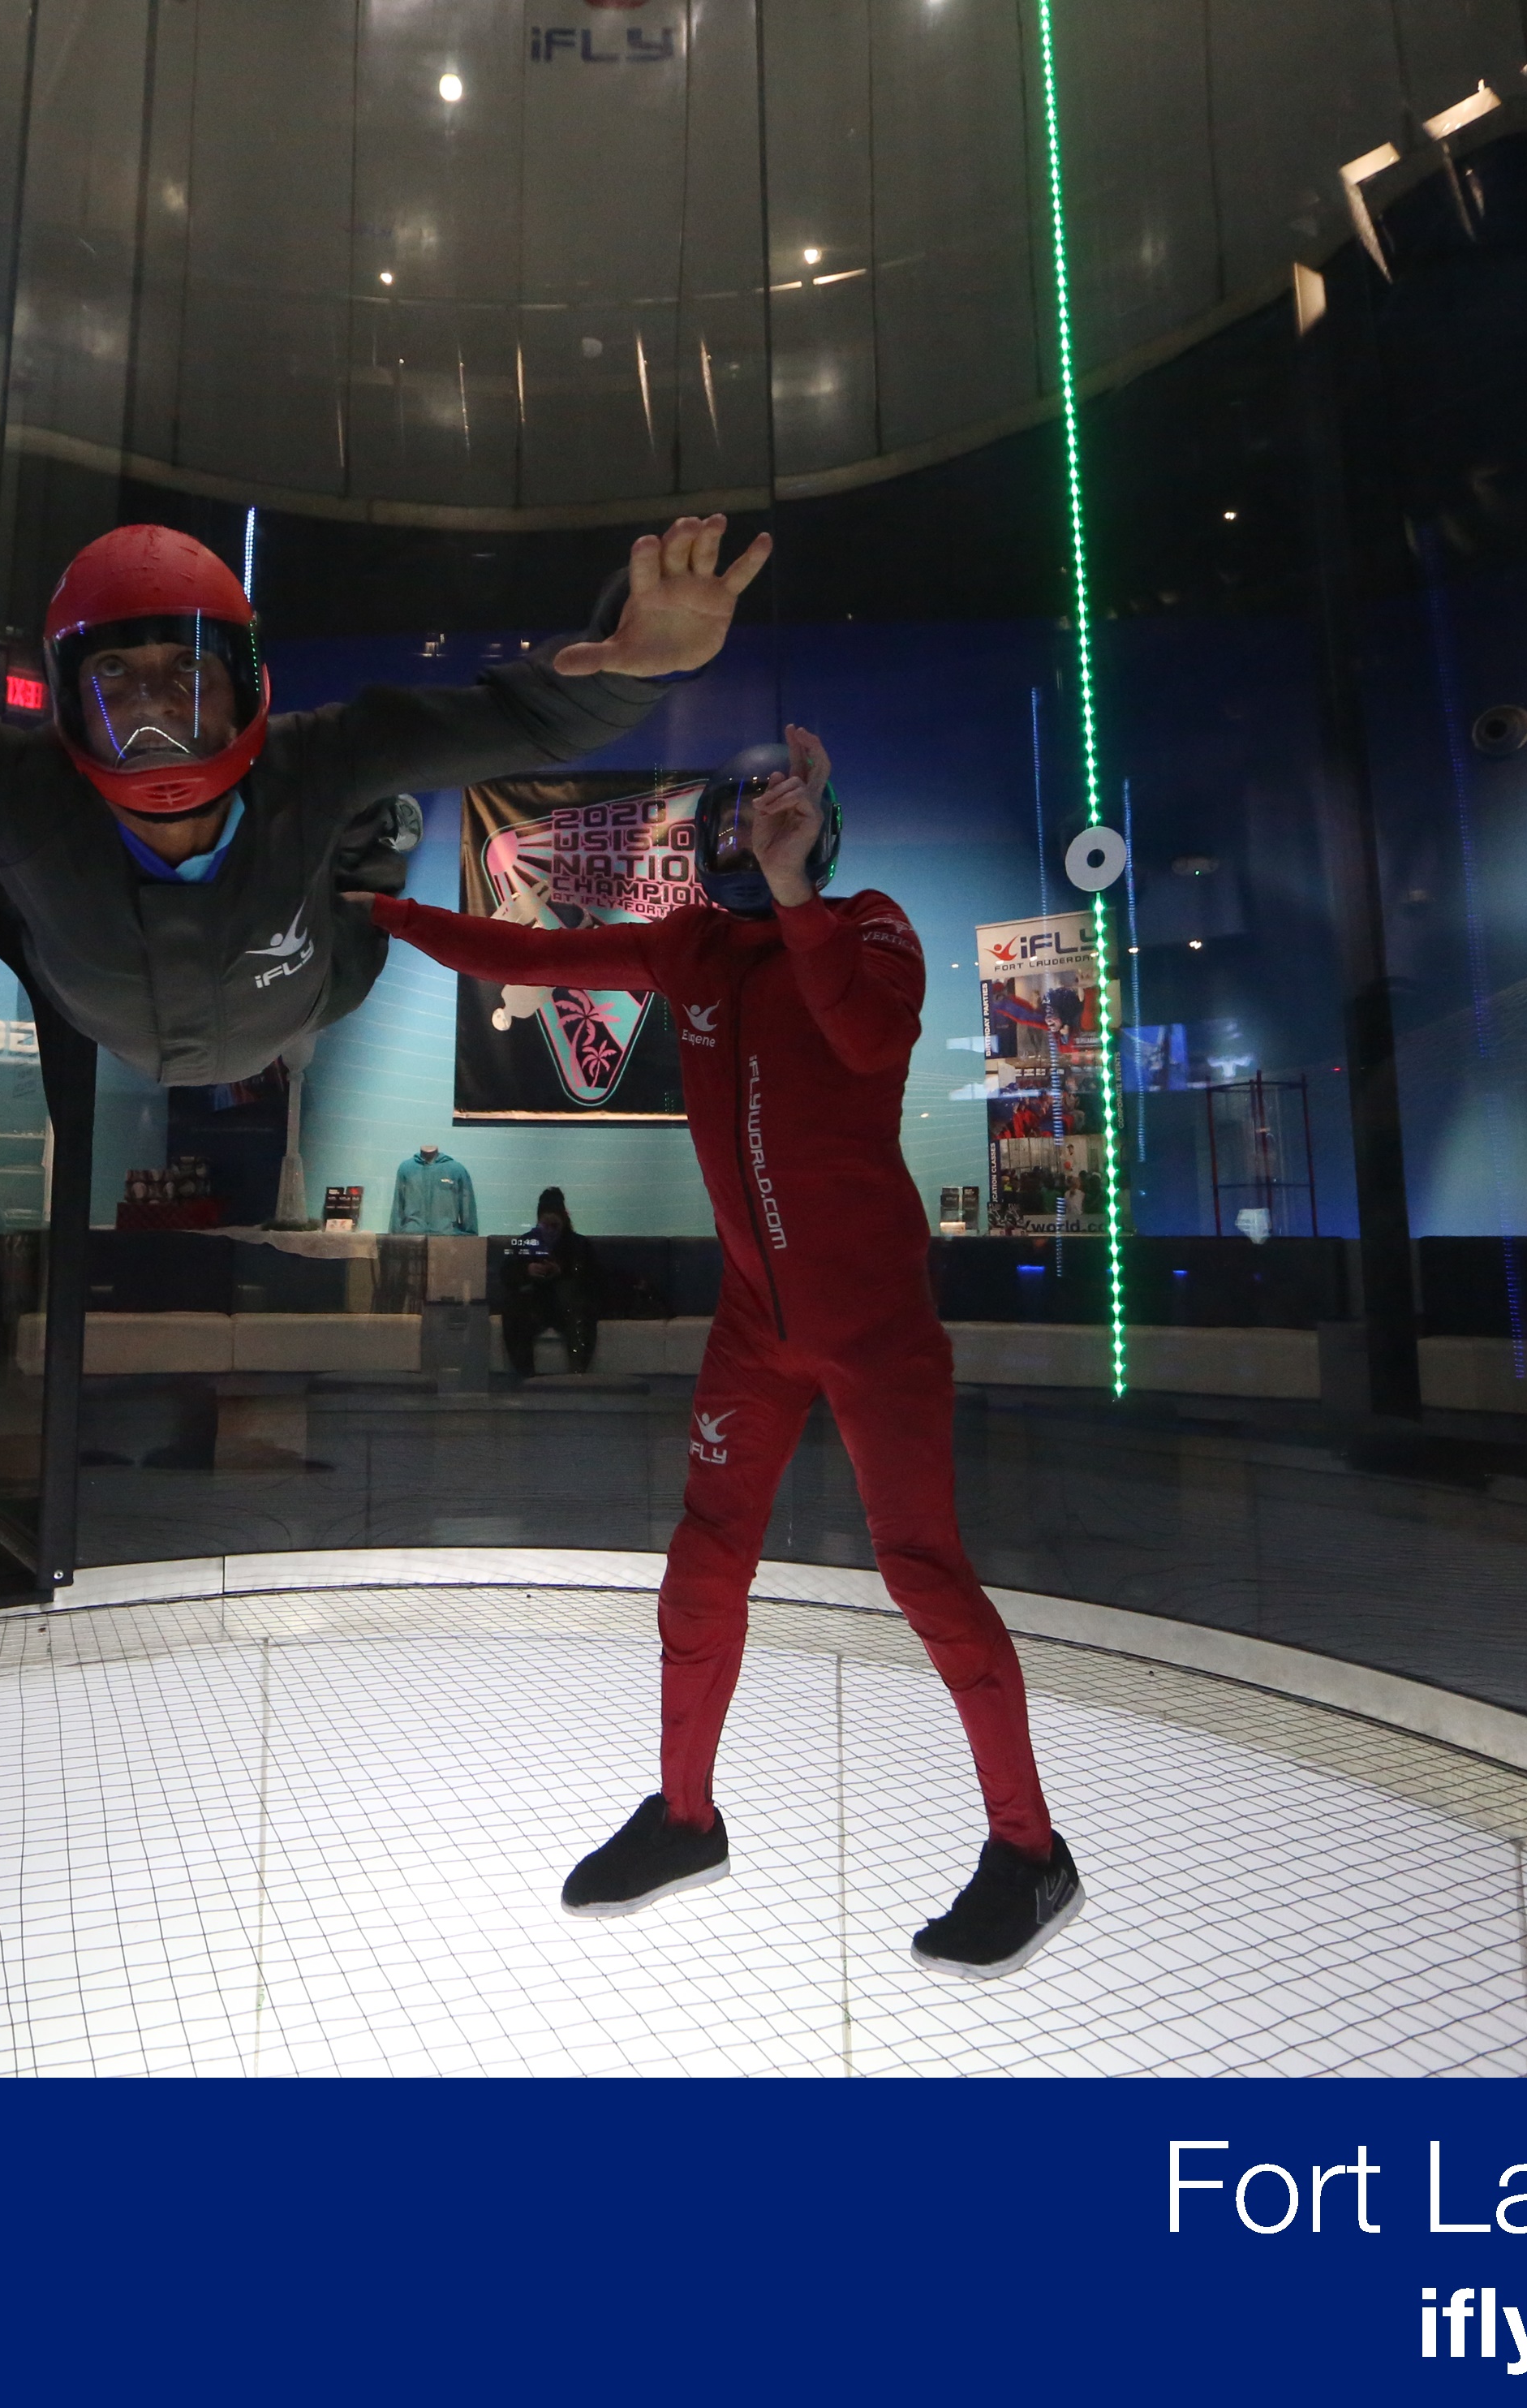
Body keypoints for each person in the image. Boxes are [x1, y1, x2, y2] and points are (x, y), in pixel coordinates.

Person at [351, 729, 1082, 1977]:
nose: (750, 834)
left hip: (875, 1324)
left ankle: (1031, 1848)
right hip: (759, 1320)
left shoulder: (872, 927)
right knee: (700, 1566)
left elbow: (866, 1039)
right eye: (735, 820)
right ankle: (686, 1815)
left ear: (818, 834)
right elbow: (523, 955)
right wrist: (377, 912)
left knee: (922, 1571)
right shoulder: (687, 944)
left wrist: (795, 896)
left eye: (773, 819)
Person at [0, 479, 770, 1086]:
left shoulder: (319, 753)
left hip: (307, 992)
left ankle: (366, 858)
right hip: (121, 1000)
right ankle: (361, 853)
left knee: (355, 937)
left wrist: (634, 667)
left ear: (247, 683)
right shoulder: (8, 773)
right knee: (320, 890)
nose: (151, 706)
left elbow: (523, 720)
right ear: (64, 693)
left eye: (186, 672)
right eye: (116, 676)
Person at [503, 1187, 598, 1376]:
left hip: (566, 1306)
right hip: (536, 1306)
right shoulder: (525, 1244)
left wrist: (561, 1272)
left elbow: (591, 1279)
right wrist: (527, 1270)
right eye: (546, 1226)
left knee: (579, 1306)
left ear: (563, 1222)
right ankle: (526, 1377)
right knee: (516, 1309)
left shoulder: (579, 1245)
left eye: (555, 1226)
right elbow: (506, 1274)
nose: (550, 1232)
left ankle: (577, 1373)